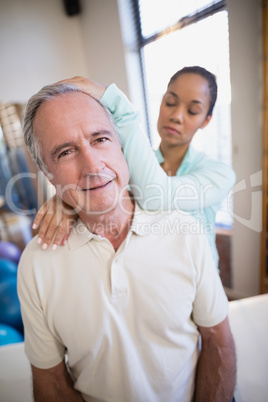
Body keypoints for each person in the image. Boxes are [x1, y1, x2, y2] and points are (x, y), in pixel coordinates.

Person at [18, 81, 236, 401]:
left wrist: (78, 193)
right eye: (65, 152)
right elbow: (50, 380)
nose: (92, 165)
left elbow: (218, 341)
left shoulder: (186, 224)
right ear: (47, 173)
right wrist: (74, 196)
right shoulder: (36, 264)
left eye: (101, 139)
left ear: (123, 147)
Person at [33, 67, 236, 269]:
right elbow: (106, 202)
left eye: (192, 111)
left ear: (206, 120)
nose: (177, 116)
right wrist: (68, 201)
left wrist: (116, 103)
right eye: (170, 102)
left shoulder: (219, 175)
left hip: (197, 280)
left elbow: (156, 194)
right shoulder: (125, 164)